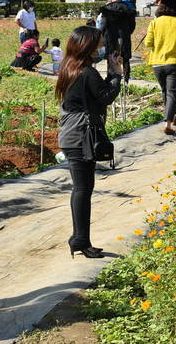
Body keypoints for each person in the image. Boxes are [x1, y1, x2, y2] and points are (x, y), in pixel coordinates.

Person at [56, 26, 123, 258]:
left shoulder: (69, 67)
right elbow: (105, 96)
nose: (101, 47)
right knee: (83, 189)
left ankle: (80, 238)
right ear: (88, 45)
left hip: (71, 133)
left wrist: (109, 75)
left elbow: (95, 93)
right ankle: (80, 240)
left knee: (83, 188)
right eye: (99, 44)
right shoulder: (87, 72)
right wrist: (116, 74)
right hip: (80, 135)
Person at [144, 0, 176, 135]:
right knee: (172, 92)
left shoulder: (155, 23)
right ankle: (168, 123)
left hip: (157, 63)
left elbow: (148, 43)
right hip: (175, 62)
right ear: (175, 8)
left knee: (165, 91)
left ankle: (173, 116)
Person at [100, 0, 136, 82]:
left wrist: (102, 35)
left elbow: (103, 25)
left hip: (111, 37)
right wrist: (128, 32)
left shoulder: (106, 8)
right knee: (125, 59)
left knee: (111, 58)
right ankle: (126, 80)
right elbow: (132, 25)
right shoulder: (127, 8)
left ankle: (111, 80)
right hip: (124, 36)